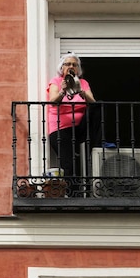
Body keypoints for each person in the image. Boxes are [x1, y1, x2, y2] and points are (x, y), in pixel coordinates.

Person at [46, 53, 100, 184]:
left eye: (74, 65)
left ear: (78, 69)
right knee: (69, 163)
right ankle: (71, 194)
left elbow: (92, 102)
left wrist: (81, 92)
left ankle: (98, 142)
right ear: (62, 67)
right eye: (68, 64)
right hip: (61, 128)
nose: (71, 66)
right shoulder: (56, 82)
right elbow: (53, 101)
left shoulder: (83, 82)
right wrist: (62, 91)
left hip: (79, 127)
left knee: (97, 107)